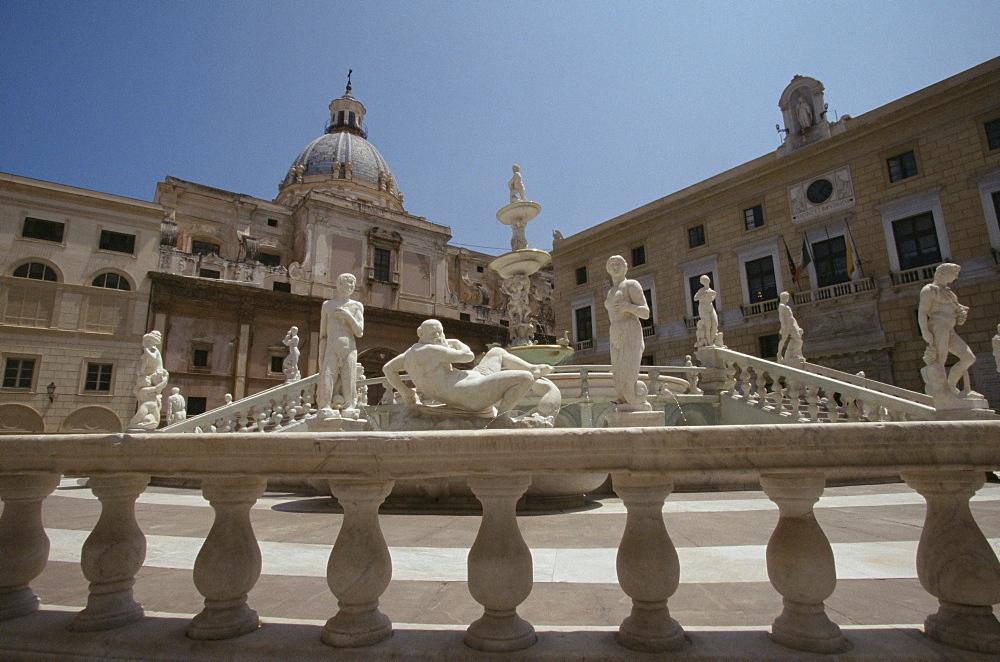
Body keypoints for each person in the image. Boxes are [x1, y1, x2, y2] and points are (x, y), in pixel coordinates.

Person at [383, 320, 548, 416]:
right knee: (525, 378)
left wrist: (405, 392)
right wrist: (456, 343)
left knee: (497, 352)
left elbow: (388, 369)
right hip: (472, 394)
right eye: (434, 333)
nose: (439, 337)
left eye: (440, 333)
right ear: (420, 333)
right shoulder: (433, 350)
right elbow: (468, 355)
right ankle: (501, 419)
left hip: (471, 381)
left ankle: (532, 367)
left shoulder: (409, 354)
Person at [918, 263, 976, 396]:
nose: (955, 277)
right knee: (940, 360)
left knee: (968, 357)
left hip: (950, 329)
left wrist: (960, 311)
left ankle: (950, 385)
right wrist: (925, 331)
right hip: (938, 326)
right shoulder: (929, 290)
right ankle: (941, 391)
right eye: (954, 274)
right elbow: (922, 312)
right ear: (943, 273)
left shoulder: (949, 293)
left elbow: (956, 310)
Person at [604, 255, 650, 408]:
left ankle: (636, 401)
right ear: (608, 269)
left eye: (618, 264)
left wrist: (628, 307)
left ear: (625, 267)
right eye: (612, 265)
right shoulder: (610, 291)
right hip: (615, 332)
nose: (615, 267)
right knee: (618, 374)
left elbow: (645, 312)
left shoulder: (631, 285)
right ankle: (623, 400)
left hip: (630, 330)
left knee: (629, 374)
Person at [316, 274, 364, 417]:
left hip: (349, 348)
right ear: (339, 285)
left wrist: (348, 316)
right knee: (327, 376)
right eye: (348, 283)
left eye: (353, 283)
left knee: (349, 378)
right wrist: (321, 355)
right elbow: (323, 334)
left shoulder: (356, 306)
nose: (351, 286)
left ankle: (349, 406)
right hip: (331, 346)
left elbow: (359, 331)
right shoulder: (328, 305)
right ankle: (325, 405)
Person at [127, 330, 169, 431]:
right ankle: (140, 425)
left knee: (152, 422)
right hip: (150, 400)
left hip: (157, 373)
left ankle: (141, 425)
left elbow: (153, 358)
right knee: (147, 422)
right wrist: (141, 373)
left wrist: (146, 349)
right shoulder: (143, 391)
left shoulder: (154, 350)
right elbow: (141, 367)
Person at [776, 291, 804, 364]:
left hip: (792, 324)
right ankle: (779, 354)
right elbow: (781, 316)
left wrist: (797, 327)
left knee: (798, 340)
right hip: (787, 325)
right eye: (787, 297)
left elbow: (792, 317)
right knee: (784, 340)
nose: (788, 298)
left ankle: (795, 354)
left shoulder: (787, 306)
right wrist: (783, 325)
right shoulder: (781, 306)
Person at [694, 274, 720, 348]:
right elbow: (695, 298)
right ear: (702, 282)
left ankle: (711, 341)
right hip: (703, 307)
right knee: (707, 325)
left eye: (707, 280)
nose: (706, 281)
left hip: (710, 306)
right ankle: (709, 342)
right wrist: (703, 295)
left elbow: (714, 295)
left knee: (715, 323)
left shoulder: (710, 290)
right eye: (704, 280)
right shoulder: (701, 290)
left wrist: (713, 295)